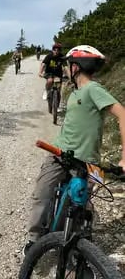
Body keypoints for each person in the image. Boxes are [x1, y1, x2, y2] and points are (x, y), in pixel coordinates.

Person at [25, 45, 125, 253]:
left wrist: (124, 158)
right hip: (60, 152)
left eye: (69, 65)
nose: (67, 69)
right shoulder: (75, 92)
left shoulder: (93, 89)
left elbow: (122, 115)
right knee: (44, 193)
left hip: (88, 161)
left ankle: (70, 243)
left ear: (76, 67)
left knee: (80, 204)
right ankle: (36, 241)